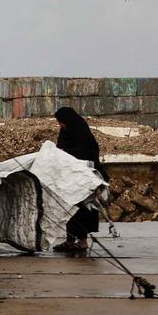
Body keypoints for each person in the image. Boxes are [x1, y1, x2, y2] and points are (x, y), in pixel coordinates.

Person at [52, 106, 107, 252]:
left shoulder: (81, 131)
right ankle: (69, 240)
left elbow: (88, 152)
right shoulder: (66, 131)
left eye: (62, 122)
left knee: (83, 210)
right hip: (69, 177)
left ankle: (82, 241)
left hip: (84, 178)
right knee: (70, 209)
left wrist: (67, 152)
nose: (61, 126)